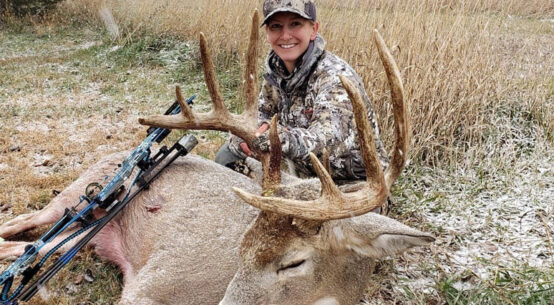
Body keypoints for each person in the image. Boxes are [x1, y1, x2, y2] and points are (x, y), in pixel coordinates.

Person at [215, 0, 389, 181]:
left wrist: (280, 138)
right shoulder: (276, 74)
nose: (285, 35)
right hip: (303, 176)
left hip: (352, 183)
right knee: (227, 156)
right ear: (267, 33)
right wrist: (246, 134)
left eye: (295, 24)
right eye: (276, 26)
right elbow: (263, 117)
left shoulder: (335, 77)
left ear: (313, 30)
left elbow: (327, 139)